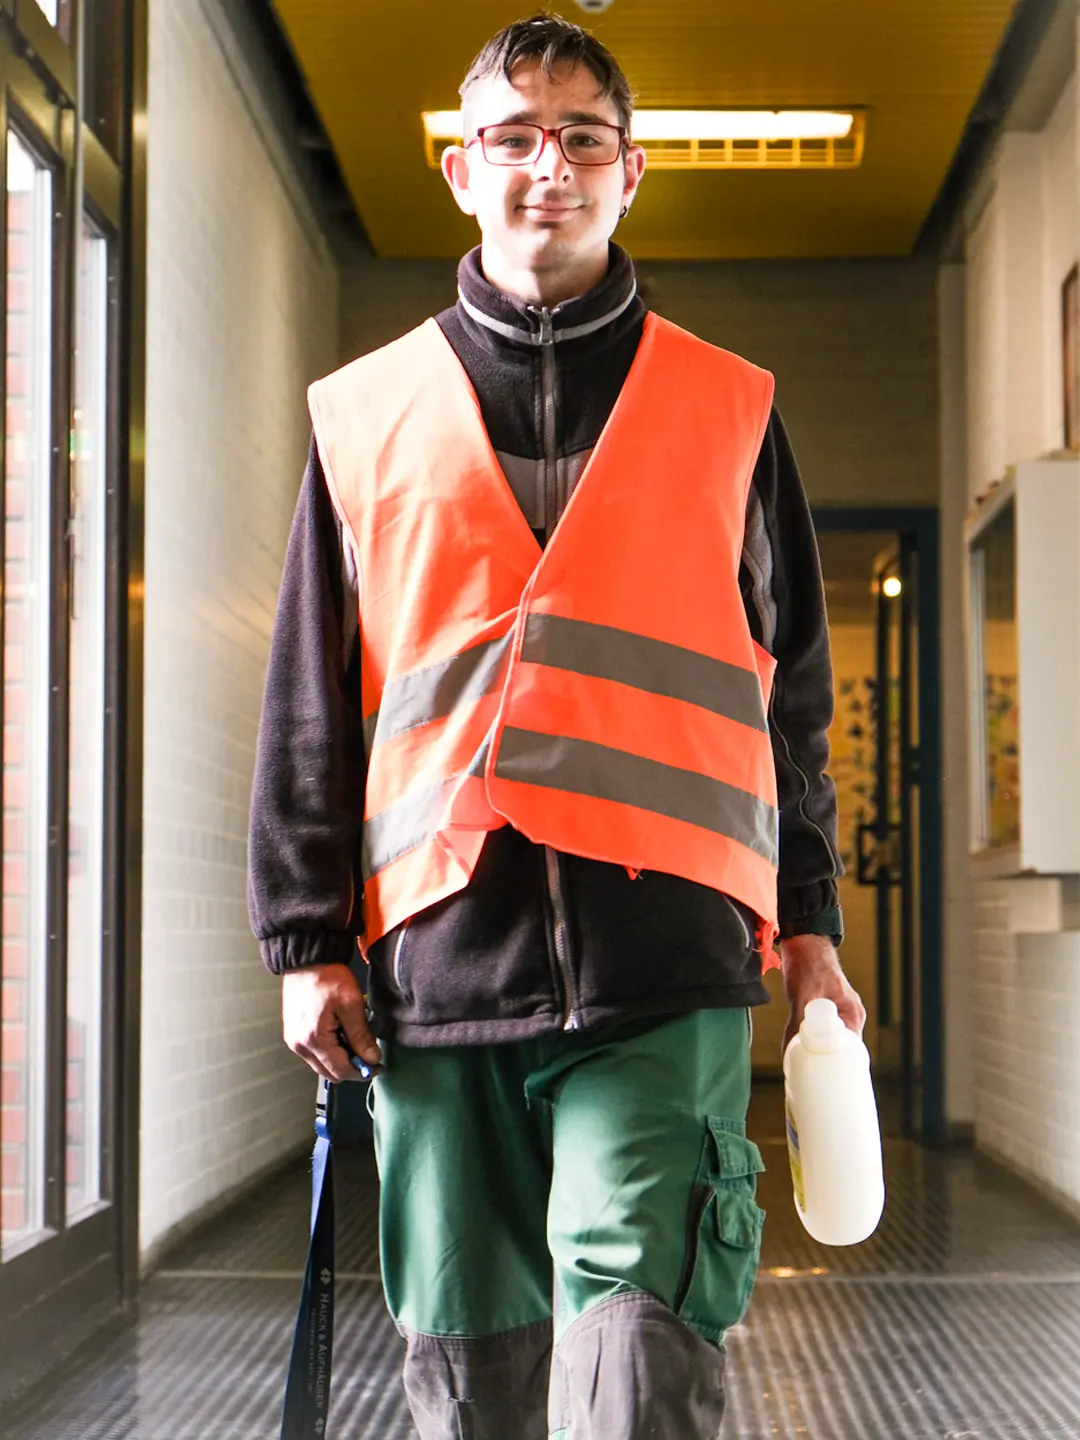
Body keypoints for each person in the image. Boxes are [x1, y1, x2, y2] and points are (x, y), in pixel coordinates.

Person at [248, 13, 865, 1438]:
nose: (549, 166)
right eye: (514, 138)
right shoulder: (366, 416)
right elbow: (310, 705)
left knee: (637, 1345)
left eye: (582, 137)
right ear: (465, 168)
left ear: (631, 172)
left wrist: (814, 925)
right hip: (439, 956)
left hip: (664, 957)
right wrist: (305, 943)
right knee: (471, 1359)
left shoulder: (731, 410)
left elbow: (796, 693)